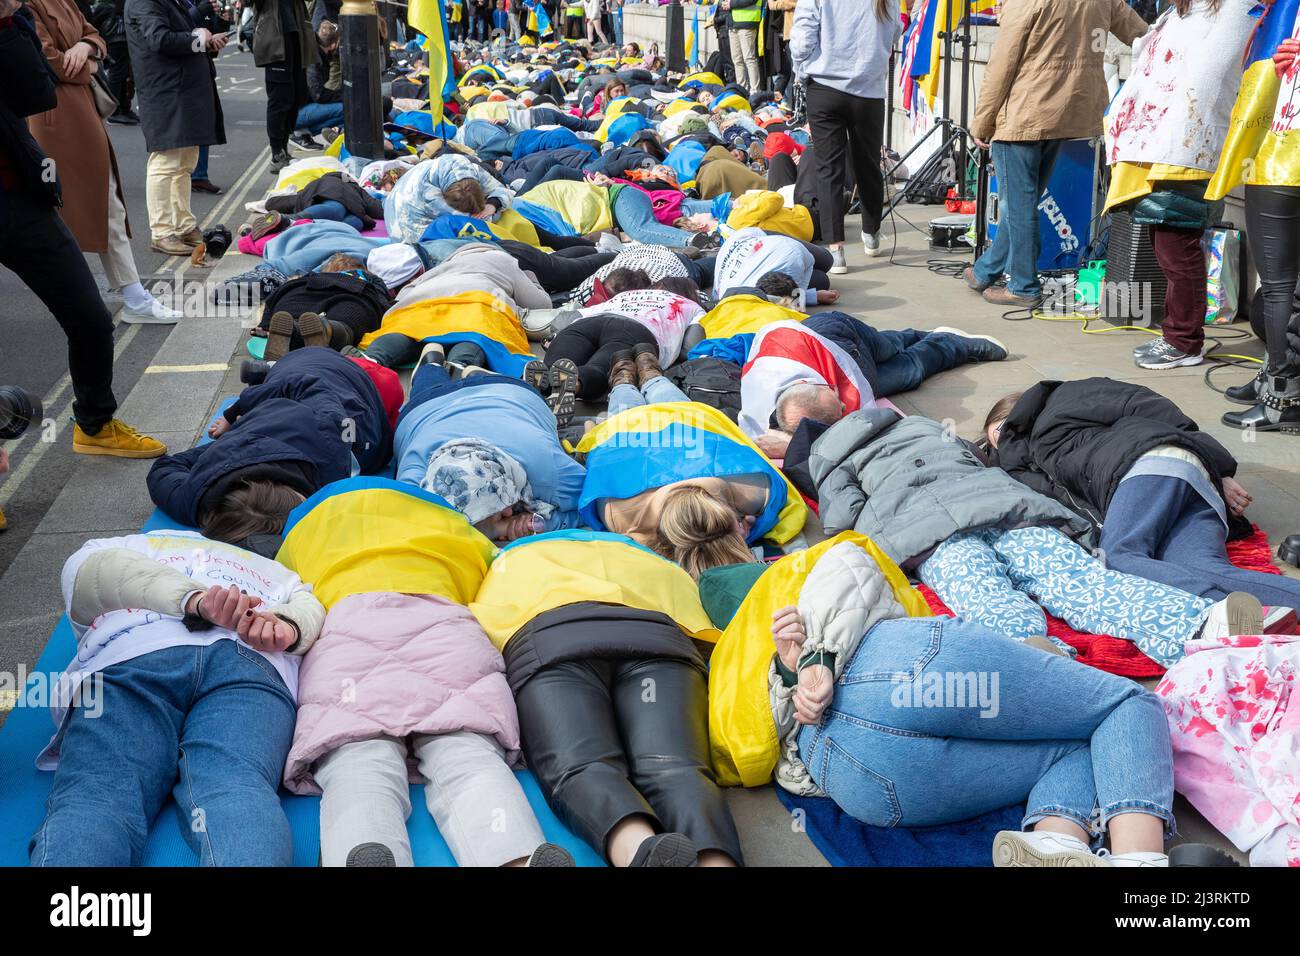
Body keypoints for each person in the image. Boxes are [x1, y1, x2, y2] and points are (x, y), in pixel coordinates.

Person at [700, 534, 1186, 868]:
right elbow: (849, 563)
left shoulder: (725, 669)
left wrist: (791, 676)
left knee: (1078, 743)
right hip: (905, 668)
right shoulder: (792, 571)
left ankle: (1056, 839)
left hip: (861, 781)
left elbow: (777, 756)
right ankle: (1139, 864)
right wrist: (819, 658)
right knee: (1125, 706)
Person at [275, 478, 573, 867]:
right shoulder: (456, 530)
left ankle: (361, 844)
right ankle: (516, 856)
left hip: (347, 633)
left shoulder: (301, 540)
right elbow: (499, 580)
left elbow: (285, 597)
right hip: (446, 630)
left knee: (357, 756)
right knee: (468, 756)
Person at [804, 406, 1239, 667]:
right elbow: (974, 461)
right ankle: (1201, 621)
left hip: (925, 532)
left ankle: (1030, 651)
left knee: (982, 592)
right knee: (1077, 579)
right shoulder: (923, 426)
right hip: (1003, 506)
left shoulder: (838, 459)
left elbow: (846, 525)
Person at [29, 531, 326, 866]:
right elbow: (309, 613)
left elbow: (94, 576)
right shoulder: (282, 574)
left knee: (99, 795)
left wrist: (195, 601)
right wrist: (283, 628)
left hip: (134, 656)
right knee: (234, 789)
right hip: (251, 665)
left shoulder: (113, 545)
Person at [469, 531, 744, 867]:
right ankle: (715, 863)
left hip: (554, 642)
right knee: (674, 768)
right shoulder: (657, 564)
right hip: (655, 640)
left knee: (582, 766)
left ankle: (638, 850)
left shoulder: (505, 566)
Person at [1, 0, 166, 459]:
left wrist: (7, 21)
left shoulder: (15, 17)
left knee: (91, 319)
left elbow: (35, 91)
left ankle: (94, 424)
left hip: (19, 193)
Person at [984, 379, 1300, 614]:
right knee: (1202, 567)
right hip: (1175, 482)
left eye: (1001, 429)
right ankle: (1272, 609)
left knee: (1119, 557)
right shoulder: (1034, 464)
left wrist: (1221, 467)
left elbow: (1148, 406)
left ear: (1013, 411)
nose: (1002, 443)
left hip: (1152, 462)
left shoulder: (1062, 398)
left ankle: (1221, 613)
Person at [1104, 0, 1257, 370]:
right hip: (1164, 141)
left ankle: (1184, 341)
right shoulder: (1183, 12)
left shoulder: (1236, 8)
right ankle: (1178, 334)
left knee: (1178, 246)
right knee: (1167, 243)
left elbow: (1211, 77)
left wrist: (1172, 127)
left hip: (1187, 143)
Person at [967, 0, 1147, 307]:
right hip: (1067, 112)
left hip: (1025, 110)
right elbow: (1142, 35)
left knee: (1019, 202)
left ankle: (1023, 286)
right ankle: (987, 270)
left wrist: (983, 120)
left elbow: (1002, 64)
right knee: (1022, 200)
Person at [27, 0, 182, 323]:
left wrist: (85, 47)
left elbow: (94, 33)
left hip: (77, 110)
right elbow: (49, 60)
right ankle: (124, 297)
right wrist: (92, 65)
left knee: (104, 202)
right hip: (56, 117)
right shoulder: (26, 5)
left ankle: (130, 295)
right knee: (77, 207)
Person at [146, 348, 396, 542]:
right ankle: (271, 369)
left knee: (381, 403)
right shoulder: (201, 488)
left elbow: (308, 385)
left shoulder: (334, 437)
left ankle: (279, 366)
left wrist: (234, 411)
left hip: (327, 372)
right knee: (369, 438)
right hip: (285, 399)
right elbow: (165, 468)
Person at [737, 312, 1008, 451]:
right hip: (812, 336)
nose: (845, 406)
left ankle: (942, 340)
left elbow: (859, 438)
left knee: (899, 359)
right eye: (841, 408)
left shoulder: (850, 391)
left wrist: (796, 446)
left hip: (834, 332)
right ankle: (945, 341)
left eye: (840, 403)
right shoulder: (759, 408)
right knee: (904, 366)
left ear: (827, 385)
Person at [393, 345, 586, 539]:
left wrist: (534, 524)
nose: (510, 513)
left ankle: (441, 366)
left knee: (428, 390)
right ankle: (445, 365)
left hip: (495, 397)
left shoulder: (546, 467)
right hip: (440, 404)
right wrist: (506, 527)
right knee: (428, 389)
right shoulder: (414, 484)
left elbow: (592, 504)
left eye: (501, 501)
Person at [1214, 23, 1300, 432]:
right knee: (1284, 285)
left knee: (1281, 285)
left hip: (1286, 151)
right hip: (1282, 145)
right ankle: (1274, 380)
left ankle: (1282, 397)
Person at [790, 0, 900, 272]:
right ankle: (871, 231)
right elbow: (894, 30)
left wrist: (802, 68)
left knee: (829, 170)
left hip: (825, 86)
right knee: (868, 164)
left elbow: (802, 37)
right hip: (869, 90)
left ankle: (836, 248)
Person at [124, 0, 228, 256]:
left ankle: (183, 225)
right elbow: (159, 39)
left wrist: (205, 41)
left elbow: (179, 38)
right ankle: (161, 232)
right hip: (167, 92)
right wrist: (196, 37)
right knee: (165, 162)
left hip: (182, 91)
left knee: (184, 163)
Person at [254, 0, 316, 173]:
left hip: (297, 36)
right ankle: (276, 153)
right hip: (275, 41)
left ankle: (284, 147)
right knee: (280, 99)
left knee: (298, 96)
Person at [712, 226, 838, 307]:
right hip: (745, 259)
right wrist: (814, 296)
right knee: (822, 280)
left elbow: (794, 303)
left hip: (752, 239)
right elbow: (792, 304)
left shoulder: (794, 255)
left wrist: (804, 298)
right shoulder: (736, 299)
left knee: (826, 260)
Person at [295, 18, 343, 147]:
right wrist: (343, 95)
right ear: (333, 44)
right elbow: (318, 94)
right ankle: (298, 133)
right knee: (346, 108)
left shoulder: (316, 53)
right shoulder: (314, 57)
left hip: (299, 109)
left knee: (344, 107)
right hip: (296, 113)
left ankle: (303, 133)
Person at [722, 0, 763, 93]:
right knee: (737, 60)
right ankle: (741, 89)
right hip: (733, 24)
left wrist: (731, 4)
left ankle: (755, 91)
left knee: (749, 59)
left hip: (747, 23)